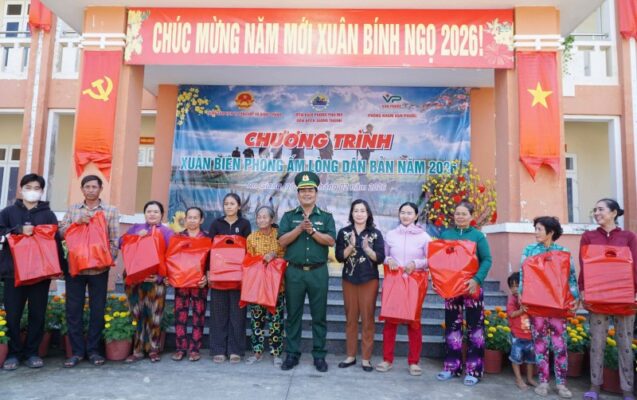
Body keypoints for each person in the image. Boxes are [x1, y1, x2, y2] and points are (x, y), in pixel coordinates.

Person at [0, 173, 66, 370]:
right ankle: (13, 353)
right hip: (13, 272)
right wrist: (17, 230)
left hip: (40, 273)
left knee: (37, 314)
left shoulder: (48, 215)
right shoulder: (8, 212)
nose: (32, 191)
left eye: (36, 188)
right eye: (28, 187)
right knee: (13, 314)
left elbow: (55, 242)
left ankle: (32, 352)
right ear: (21, 189)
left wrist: (61, 267)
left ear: (42, 191)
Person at [59, 175, 119, 368]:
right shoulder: (73, 210)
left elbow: (114, 240)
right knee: (73, 310)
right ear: (82, 189)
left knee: (97, 310)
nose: (91, 190)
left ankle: (93, 350)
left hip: (99, 270)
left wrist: (106, 260)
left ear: (100, 189)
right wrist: (77, 222)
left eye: (94, 186)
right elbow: (61, 233)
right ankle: (77, 352)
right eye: (87, 186)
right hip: (75, 268)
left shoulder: (110, 211)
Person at [278, 171, 336, 372]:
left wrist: (312, 231)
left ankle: (319, 355)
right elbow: (282, 241)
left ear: (316, 193)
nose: (307, 194)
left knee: (319, 316)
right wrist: (299, 229)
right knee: (293, 315)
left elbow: (331, 241)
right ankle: (292, 354)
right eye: (303, 191)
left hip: (318, 273)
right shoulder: (289, 217)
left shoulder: (326, 217)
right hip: (294, 273)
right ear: (298, 194)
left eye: (310, 190)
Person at [579, 199, 637, 400]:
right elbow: (584, 264)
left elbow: (635, 264)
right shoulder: (589, 237)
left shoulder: (628, 237)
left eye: (601, 209)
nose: (596, 213)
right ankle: (595, 385)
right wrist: (583, 289)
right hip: (598, 296)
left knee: (625, 342)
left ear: (613, 213)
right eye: (595, 210)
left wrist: (636, 291)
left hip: (624, 296)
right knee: (597, 341)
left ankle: (627, 388)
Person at [519, 216, 579, 398]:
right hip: (537, 304)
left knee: (560, 345)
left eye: (539, 229)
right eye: (535, 228)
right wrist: (521, 294)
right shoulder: (529, 250)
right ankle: (543, 382)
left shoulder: (563, 252)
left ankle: (561, 384)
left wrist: (575, 298)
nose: (536, 232)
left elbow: (571, 277)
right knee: (540, 344)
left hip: (558, 306)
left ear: (551, 232)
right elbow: (523, 275)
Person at [437, 200, 492, 386]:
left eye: (464, 214)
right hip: (451, 288)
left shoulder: (478, 236)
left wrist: (477, 279)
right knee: (452, 327)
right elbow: (439, 260)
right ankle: (452, 367)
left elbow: (487, 260)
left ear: (471, 216)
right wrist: (439, 281)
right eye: (457, 213)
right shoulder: (446, 235)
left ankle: (474, 370)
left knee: (475, 329)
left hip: (472, 287)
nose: (460, 216)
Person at [375, 202, 430, 376]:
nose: (405, 216)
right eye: (403, 212)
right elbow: (383, 255)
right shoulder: (391, 234)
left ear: (416, 216)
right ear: (399, 215)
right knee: (391, 321)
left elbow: (430, 259)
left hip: (415, 282)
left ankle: (414, 362)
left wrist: (416, 263)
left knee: (414, 322)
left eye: (409, 213)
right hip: (394, 281)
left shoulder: (424, 237)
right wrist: (388, 260)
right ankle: (387, 359)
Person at [335, 199, 385, 372]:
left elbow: (380, 258)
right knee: (351, 318)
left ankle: (366, 358)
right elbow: (339, 257)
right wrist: (350, 246)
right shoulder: (344, 232)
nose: (359, 214)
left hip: (368, 280)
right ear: (351, 213)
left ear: (368, 213)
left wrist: (368, 249)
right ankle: (350, 355)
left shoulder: (375, 234)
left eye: (362, 210)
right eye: (356, 210)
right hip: (349, 279)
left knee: (367, 318)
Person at [122, 200, 174, 363]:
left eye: (156, 212)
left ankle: (153, 349)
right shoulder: (136, 228)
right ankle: (137, 350)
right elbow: (121, 243)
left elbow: (172, 256)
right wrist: (136, 237)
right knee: (137, 314)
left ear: (162, 215)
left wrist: (160, 277)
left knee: (154, 315)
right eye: (149, 211)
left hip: (155, 281)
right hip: (135, 280)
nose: (152, 214)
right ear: (144, 214)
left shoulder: (167, 232)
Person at [207, 193, 251, 363]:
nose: (229, 206)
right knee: (218, 315)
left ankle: (235, 350)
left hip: (238, 277)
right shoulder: (216, 224)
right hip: (218, 277)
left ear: (238, 206)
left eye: (232, 204)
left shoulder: (244, 224)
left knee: (237, 315)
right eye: (226, 204)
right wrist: (208, 272)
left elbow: (248, 250)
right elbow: (209, 250)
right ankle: (218, 349)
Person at [245, 205, 286, 366]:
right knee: (256, 320)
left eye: (265, 217)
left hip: (276, 286)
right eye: (259, 217)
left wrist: (274, 255)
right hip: (257, 285)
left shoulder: (280, 235)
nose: (261, 219)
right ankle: (257, 352)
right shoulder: (251, 237)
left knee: (276, 321)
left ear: (272, 219)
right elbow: (249, 260)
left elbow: (286, 255)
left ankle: (276, 353)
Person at [171, 207, 209, 362]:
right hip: (181, 282)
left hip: (199, 283)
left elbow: (212, 260)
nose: (192, 220)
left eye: (195, 217)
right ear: (185, 219)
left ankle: (194, 349)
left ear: (201, 220)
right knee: (180, 315)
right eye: (189, 217)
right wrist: (170, 276)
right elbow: (171, 258)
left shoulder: (207, 238)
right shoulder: (178, 237)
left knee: (198, 316)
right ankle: (180, 348)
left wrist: (207, 277)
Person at [506, 271, 537, 390]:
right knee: (516, 358)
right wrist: (521, 311)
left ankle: (529, 378)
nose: (514, 289)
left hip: (529, 335)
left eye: (517, 285)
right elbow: (511, 314)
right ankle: (518, 379)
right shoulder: (512, 299)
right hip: (517, 336)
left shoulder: (529, 298)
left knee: (530, 359)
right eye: (512, 286)